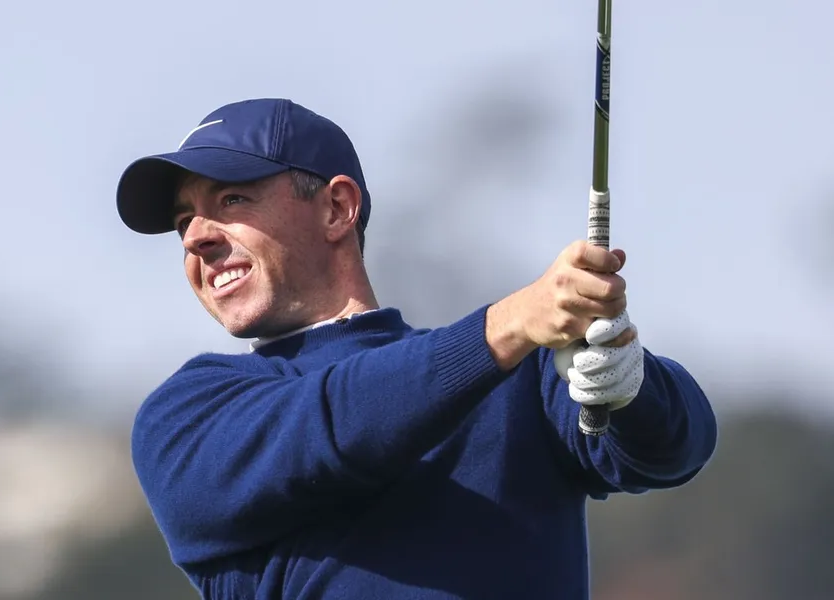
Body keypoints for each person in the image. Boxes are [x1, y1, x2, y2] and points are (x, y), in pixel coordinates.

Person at [116, 98, 717, 600]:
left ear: (337, 208)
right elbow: (332, 425)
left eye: (232, 201)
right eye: (184, 221)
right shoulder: (186, 417)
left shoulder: (521, 371)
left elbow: (674, 449)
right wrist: (506, 326)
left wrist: (628, 378)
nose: (195, 237)